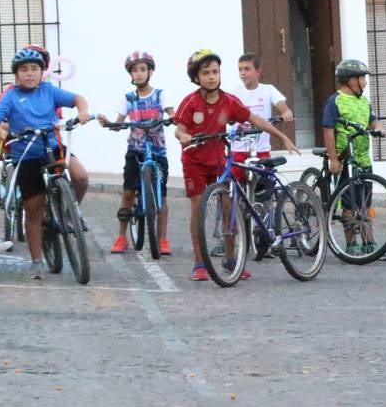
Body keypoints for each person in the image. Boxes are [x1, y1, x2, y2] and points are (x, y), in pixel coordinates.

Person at [173, 49, 298, 282]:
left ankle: (231, 260)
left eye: (215, 72)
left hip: (219, 160)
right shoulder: (190, 102)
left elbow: (255, 119)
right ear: (196, 77)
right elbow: (179, 129)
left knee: (230, 207)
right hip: (194, 162)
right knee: (198, 207)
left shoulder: (229, 101)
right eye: (206, 73)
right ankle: (199, 263)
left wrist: (282, 137)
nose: (212, 77)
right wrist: (184, 136)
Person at [0, 47, 92, 279]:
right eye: (24, 69)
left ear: (42, 73)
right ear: (16, 75)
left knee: (81, 176)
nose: (29, 73)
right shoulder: (11, 96)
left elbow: (78, 99)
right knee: (34, 209)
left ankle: (69, 213)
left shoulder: (49, 90)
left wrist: (83, 111)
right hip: (26, 155)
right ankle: (37, 261)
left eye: (34, 69)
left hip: (53, 147)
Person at [98, 51, 174, 255]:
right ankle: (122, 237)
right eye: (134, 71)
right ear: (130, 75)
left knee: (162, 196)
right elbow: (119, 123)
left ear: (150, 72)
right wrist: (109, 124)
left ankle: (163, 239)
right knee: (128, 193)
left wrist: (173, 117)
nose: (139, 74)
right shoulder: (128, 98)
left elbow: (171, 113)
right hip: (135, 149)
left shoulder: (160, 94)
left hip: (157, 150)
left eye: (142, 69)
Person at [321, 59, 386, 258]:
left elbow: (372, 119)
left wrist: (378, 127)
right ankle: (351, 244)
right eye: (362, 78)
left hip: (363, 159)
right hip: (345, 159)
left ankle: (369, 242)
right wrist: (334, 159)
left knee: (365, 202)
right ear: (351, 80)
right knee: (349, 204)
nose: (365, 83)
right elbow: (328, 130)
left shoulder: (364, 101)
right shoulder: (335, 101)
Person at [228, 53, 293, 188]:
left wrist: (286, 113)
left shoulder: (268, 90)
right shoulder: (234, 92)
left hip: (260, 148)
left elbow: (283, 107)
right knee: (234, 186)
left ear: (258, 71)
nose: (243, 73)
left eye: (247, 69)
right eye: (240, 69)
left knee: (264, 188)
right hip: (238, 148)